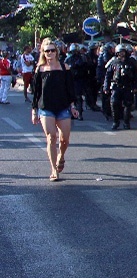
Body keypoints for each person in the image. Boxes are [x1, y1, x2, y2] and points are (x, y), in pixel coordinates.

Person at [30, 38, 79, 181]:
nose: (50, 53)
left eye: (52, 50)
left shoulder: (65, 68)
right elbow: (36, 92)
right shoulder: (40, 69)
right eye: (47, 51)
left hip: (63, 107)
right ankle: (53, 169)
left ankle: (61, 156)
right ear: (43, 53)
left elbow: (70, 89)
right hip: (46, 108)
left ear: (56, 52)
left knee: (64, 140)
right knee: (51, 137)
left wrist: (73, 106)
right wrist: (34, 110)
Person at [104, 44, 137, 130]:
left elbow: (136, 75)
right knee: (114, 103)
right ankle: (116, 122)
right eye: (120, 52)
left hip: (128, 86)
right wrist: (106, 87)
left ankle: (126, 123)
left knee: (127, 105)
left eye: (123, 52)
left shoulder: (131, 61)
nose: (122, 54)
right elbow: (108, 75)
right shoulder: (113, 61)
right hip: (116, 86)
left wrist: (135, 86)